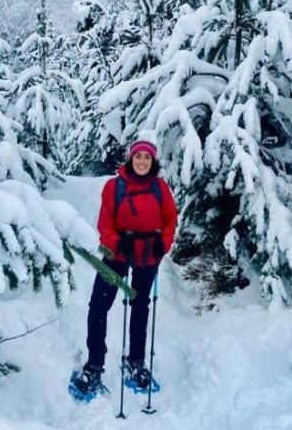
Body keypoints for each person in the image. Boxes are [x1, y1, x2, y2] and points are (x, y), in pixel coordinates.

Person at [72, 138, 178, 397]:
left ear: (152, 161)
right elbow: (104, 223)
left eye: (147, 157)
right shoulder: (114, 186)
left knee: (140, 307)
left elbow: (170, 220)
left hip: (148, 257)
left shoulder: (160, 187)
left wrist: (162, 244)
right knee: (99, 306)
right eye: (138, 156)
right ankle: (94, 365)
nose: (142, 161)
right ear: (131, 159)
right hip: (116, 255)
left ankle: (136, 362)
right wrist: (118, 243)